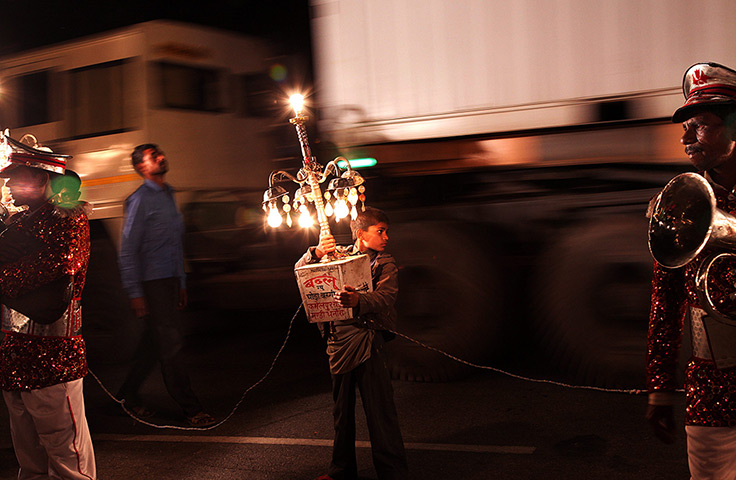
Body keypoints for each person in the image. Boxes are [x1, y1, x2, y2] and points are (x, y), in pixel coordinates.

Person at [646, 62, 736, 479]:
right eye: (686, 127)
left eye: (700, 125)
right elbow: (666, 302)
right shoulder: (683, 205)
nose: (685, 137)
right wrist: (660, 388)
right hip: (712, 396)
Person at [0, 135, 96, 479]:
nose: (8, 183)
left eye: (16, 176)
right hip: (14, 357)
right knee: (30, 459)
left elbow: (56, 265)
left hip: (53, 357)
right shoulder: (20, 222)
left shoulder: (68, 220)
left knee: (67, 459)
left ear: (42, 180)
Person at [296, 206, 408, 480]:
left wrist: (360, 301)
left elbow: (386, 298)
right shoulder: (339, 255)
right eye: (380, 231)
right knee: (341, 414)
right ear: (361, 234)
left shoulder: (384, 263)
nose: (386, 237)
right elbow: (301, 271)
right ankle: (341, 471)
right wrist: (317, 253)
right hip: (338, 343)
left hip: (369, 341)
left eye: (386, 232)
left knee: (380, 412)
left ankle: (392, 473)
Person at [117, 143, 215, 427]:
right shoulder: (139, 200)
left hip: (170, 280)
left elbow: (174, 244)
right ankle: (190, 407)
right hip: (152, 283)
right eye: (153, 156)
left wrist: (181, 282)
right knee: (171, 344)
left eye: (161, 152)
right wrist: (135, 293)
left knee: (154, 342)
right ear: (141, 168)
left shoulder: (169, 193)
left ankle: (127, 396)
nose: (161, 157)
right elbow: (128, 249)